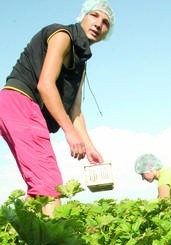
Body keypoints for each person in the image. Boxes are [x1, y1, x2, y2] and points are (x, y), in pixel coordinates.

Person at [0, 0, 114, 216]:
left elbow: (75, 110)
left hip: (17, 107)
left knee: (38, 187)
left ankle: (13, 237)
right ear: (83, 16)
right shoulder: (61, 35)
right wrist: (70, 133)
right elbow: (45, 84)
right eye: (94, 15)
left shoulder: (81, 63)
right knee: (50, 183)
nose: (99, 24)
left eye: (105, 22)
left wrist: (89, 146)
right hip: (20, 101)